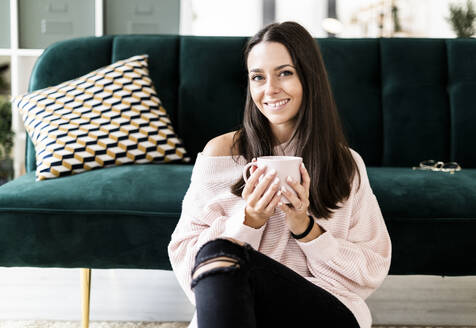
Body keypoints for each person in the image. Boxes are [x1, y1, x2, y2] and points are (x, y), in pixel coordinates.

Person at [168, 21, 391, 328]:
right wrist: (249, 221)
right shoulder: (220, 153)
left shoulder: (345, 163)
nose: (269, 89)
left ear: (308, 77)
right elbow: (190, 262)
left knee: (223, 252)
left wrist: (305, 227)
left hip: (324, 309)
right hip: (238, 310)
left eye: (285, 73)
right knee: (220, 250)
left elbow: (370, 267)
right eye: (258, 77)